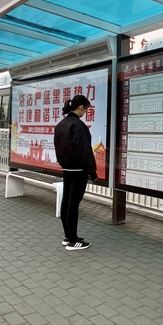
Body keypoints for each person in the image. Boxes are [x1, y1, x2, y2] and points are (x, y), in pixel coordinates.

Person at [54, 95, 98, 251]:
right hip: (79, 170)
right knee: (73, 203)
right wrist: (92, 172)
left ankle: (68, 236)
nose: (85, 112)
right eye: (85, 109)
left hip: (66, 169)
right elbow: (85, 151)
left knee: (66, 201)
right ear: (80, 107)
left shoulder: (61, 124)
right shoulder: (78, 126)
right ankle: (73, 241)